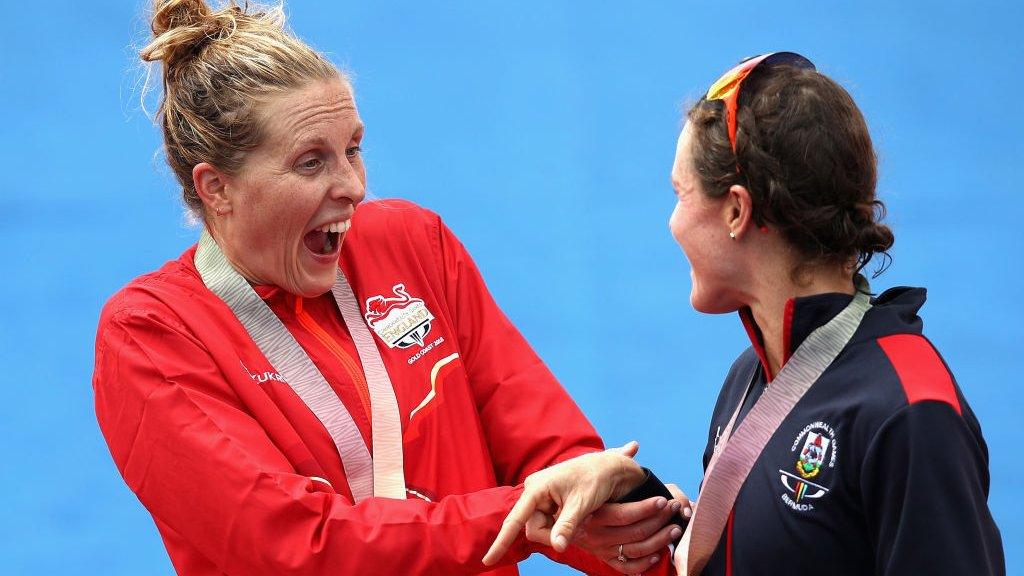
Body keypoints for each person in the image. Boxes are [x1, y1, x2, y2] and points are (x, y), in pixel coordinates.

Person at [92, 1, 685, 574]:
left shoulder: (410, 243)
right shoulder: (151, 334)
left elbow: (544, 448)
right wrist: (523, 515)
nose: (351, 186)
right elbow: (294, 545)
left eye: (353, 149)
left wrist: (638, 527)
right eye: (310, 162)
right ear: (217, 187)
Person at [484, 52, 1005, 575]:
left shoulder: (909, 409)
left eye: (679, 194)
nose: (671, 224)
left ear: (736, 210)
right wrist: (637, 500)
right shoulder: (753, 375)